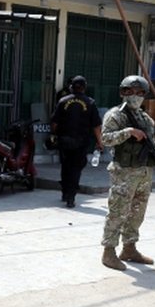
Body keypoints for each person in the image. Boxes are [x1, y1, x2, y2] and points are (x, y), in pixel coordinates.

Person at [100, 75, 155, 271]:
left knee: (137, 213)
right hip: (124, 172)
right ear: (123, 92)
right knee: (118, 211)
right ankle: (108, 252)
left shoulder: (146, 119)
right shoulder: (115, 115)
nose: (135, 96)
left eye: (140, 93)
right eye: (130, 92)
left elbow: (153, 145)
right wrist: (128, 132)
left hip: (144, 173)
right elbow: (105, 139)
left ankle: (129, 248)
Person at [50, 75, 103, 208]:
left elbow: (54, 123)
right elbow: (96, 125)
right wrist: (100, 141)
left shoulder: (63, 101)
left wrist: (55, 134)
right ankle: (71, 197)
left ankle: (65, 192)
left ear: (71, 87)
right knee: (76, 168)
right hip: (81, 142)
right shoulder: (90, 102)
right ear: (84, 88)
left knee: (66, 166)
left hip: (64, 140)